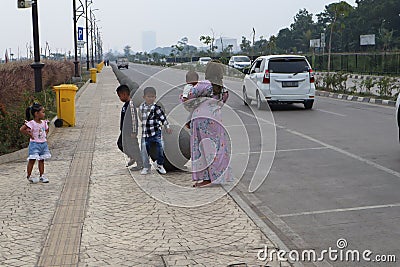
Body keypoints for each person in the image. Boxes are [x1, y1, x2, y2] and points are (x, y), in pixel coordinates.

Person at [186, 60, 232, 187]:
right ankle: (219, 175)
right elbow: (223, 101)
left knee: (202, 148)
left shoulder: (202, 85)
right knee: (218, 147)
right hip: (216, 119)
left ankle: (206, 178)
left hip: (201, 119)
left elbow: (189, 97)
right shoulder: (223, 88)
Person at [139, 87, 172, 175]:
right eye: (148, 96)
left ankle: (159, 164)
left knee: (161, 146)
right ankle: (146, 166)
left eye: (152, 97)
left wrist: (167, 126)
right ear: (144, 97)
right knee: (144, 149)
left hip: (156, 132)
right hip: (145, 133)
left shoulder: (156, 108)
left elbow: (163, 118)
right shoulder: (142, 107)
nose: (150, 98)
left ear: (155, 97)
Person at [20, 103, 51, 184]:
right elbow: (22, 129)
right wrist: (30, 134)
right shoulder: (31, 123)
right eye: (42, 112)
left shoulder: (44, 122)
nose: (44, 114)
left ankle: (42, 175)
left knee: (41, 160)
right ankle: (29, 175)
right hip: (34, 144)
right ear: (36, 113)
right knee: (32, 160)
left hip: (43, 144)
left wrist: (45, 135)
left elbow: (47, 129)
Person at [116, 84, 143, 171]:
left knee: (133, 147)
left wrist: (134, 132)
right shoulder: (125, 105)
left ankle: (140, 163)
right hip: (124, 132)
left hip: (130, 132)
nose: (120, 98)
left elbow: (134, 119)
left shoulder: (130, 105)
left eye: (120, 96)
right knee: (120, 144)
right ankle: (132, 157)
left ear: (124, 94)